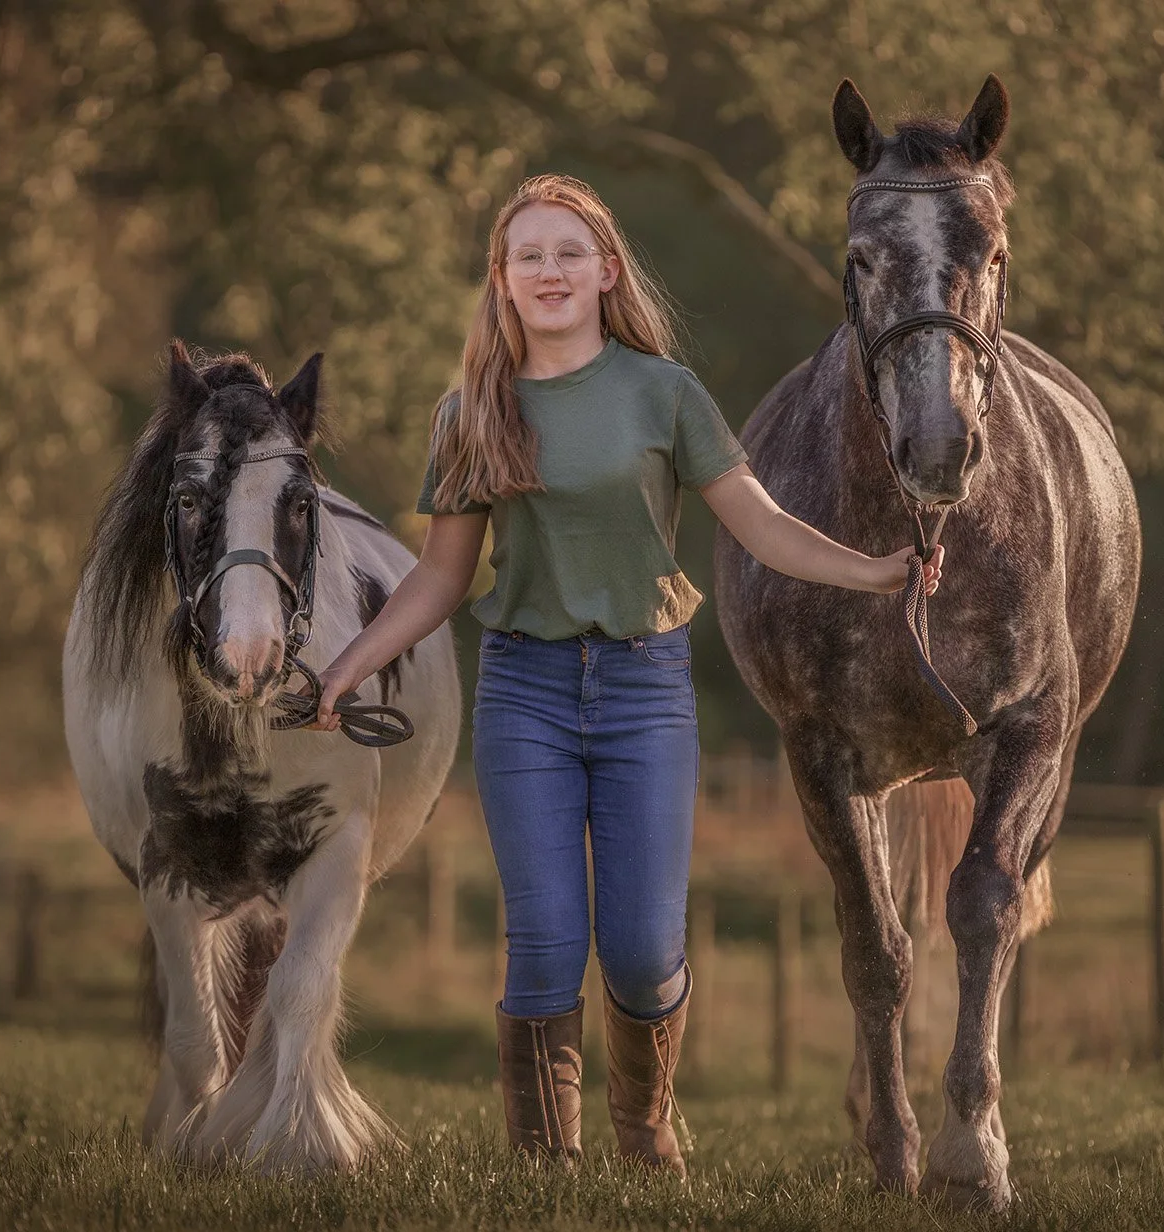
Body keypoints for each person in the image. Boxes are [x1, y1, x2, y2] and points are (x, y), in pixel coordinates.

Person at [310, 174, 939, 1177]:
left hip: (644, 689)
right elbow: (436, 581)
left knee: (645, 950)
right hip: (524, 693)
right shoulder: (470, 412)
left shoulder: (664, 393)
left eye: (568, 252)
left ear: (606, 270)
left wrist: (873, 570)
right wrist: (344, 668)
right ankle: (544, 1163)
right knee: (546, 940)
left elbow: (760, 525)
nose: (549, 270)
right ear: (502, 282)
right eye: (528, 256)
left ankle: (645, 1122)